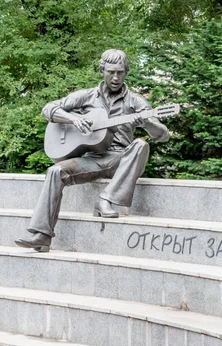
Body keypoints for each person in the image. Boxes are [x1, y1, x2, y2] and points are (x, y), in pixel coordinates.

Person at [15, 49, 169, 252]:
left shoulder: (136, 102)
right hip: (93, 159)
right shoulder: (86, 96)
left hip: (122, 159)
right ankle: (41, 235)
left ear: (126, 72)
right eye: (111, 72)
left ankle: (106, 199)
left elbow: (163, 134)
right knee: (55, 171)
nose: (115, 77)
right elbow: (48, 109)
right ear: (102, 70)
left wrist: (148, 122)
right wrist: (74, 118)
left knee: (141, 145)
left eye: (120, 72)